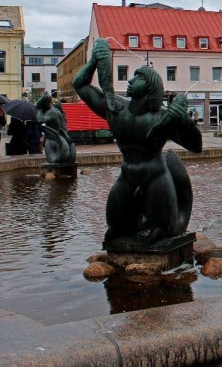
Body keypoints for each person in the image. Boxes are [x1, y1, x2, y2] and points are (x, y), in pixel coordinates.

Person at [74, 38, 202, 244]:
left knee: (162, 234)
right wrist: (93, 62)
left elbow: (196, 146)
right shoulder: (116, 108)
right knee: (114, 229)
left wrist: (185, 120)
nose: (130, 81)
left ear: (150, 85)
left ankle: (164, 225)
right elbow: (79, 85)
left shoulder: (162, 117)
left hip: (156, 178)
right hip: (127, 176)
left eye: (138, 78)